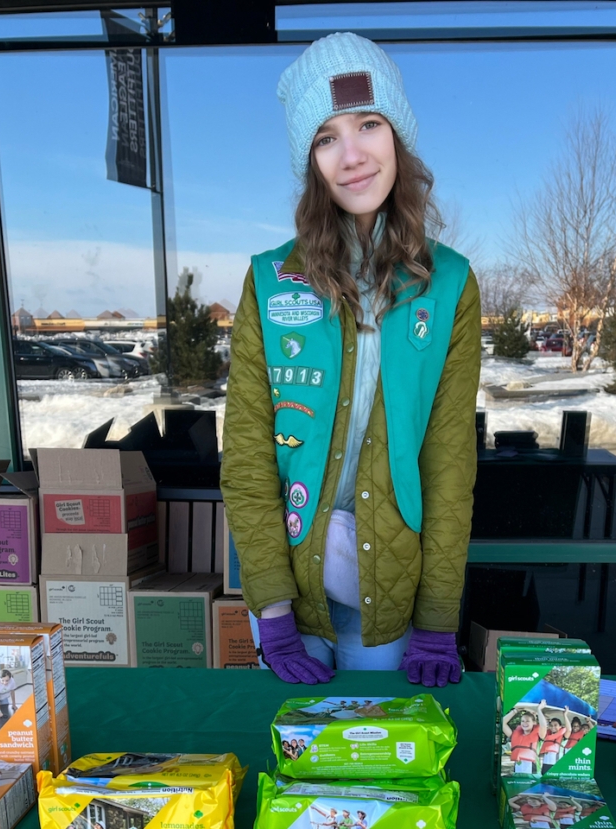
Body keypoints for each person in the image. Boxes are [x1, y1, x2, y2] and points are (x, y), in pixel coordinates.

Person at [220, 32, 480, 688]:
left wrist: (439, 617)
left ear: (398, 135)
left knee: (373, 774)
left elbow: (449, 465)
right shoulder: (270, 281)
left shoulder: (447, 285)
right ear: (309, 160)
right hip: (292, 589)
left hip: (390, 593)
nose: (353, 154)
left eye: (369, 124)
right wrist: (273, 611)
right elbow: (249, 459)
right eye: (326, 136)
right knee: (297, 766)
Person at [503, 703, 548, 775]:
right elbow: (503, 723)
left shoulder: (539, 735)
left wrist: (539, 709)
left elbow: (543, 726)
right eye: (522, 721)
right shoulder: (515, 735)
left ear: (533, 723)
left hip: (533, 770)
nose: (524, 723)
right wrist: (515, 711)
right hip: (517, 769)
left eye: (527, 721)